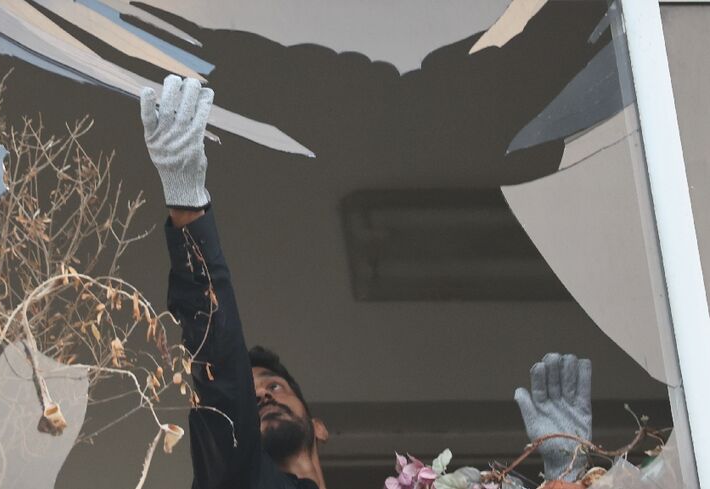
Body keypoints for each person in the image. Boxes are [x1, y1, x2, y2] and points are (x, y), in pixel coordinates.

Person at [139, 75, 593, 489]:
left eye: (274, 386)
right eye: (252, 392)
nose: (261, 394)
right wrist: (188, 210)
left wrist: (568, 472)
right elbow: (219, 370)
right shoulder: (237, 477)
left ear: (319, 427)